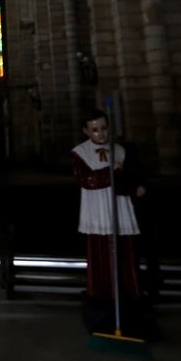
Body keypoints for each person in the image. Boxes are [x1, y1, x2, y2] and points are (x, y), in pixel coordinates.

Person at [72, 110, 145, 304]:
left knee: (124, 251)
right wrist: (109, 171)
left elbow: (128, 177)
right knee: (101, 252)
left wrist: (134, 187)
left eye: (104, 128)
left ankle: (128, 294)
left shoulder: (119, 150)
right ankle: (102, 295)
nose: (101, 133)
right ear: (86, 131)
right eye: (95, 130)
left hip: (119, 205)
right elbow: (85, 179)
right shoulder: (81, 152)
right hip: (97, 207)